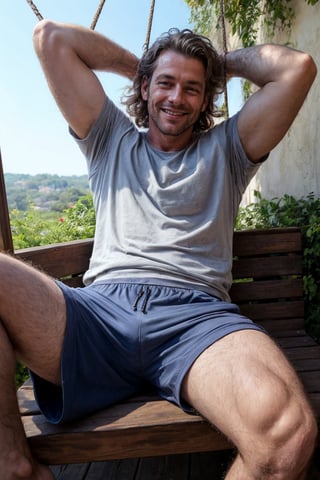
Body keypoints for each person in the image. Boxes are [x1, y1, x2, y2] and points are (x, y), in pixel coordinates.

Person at [0, 19, 317, 480]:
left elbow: (297, 68)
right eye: (165, 84)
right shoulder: (110, 138)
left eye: (193, 88)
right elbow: (51, 39)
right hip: (100, 316)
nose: (176, 98)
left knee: (287, 437)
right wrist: (141, 66)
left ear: (206, 99)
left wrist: (219, 66)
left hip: (199, 320)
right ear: (145, 88)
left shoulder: (229, 149)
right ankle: (12, 463)